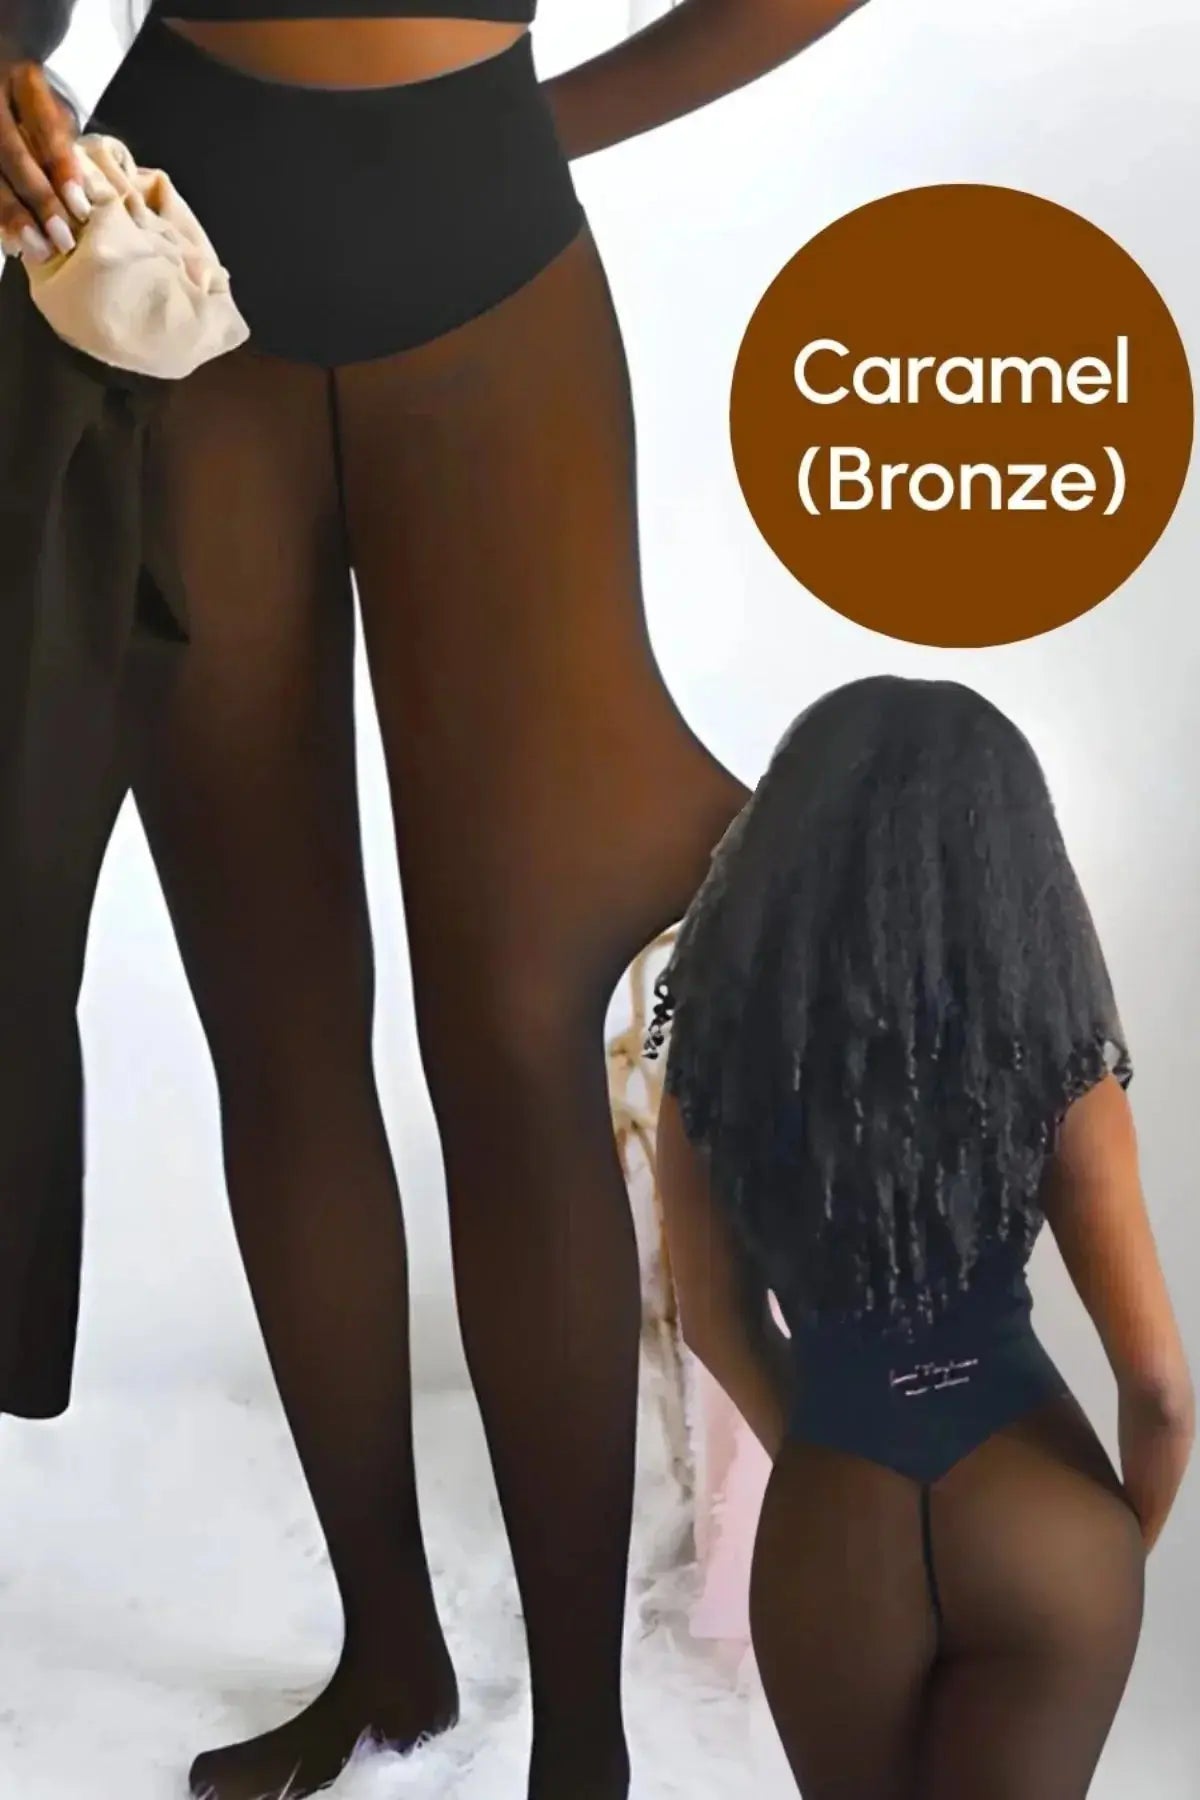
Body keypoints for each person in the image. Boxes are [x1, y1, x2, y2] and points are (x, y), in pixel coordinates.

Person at [0, 2, 874, 1796]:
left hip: (484, 264)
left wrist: (553, 118)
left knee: (514, 1036)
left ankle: (583, 1751)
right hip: (169, 267)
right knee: (279, 1038)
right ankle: (387, 1661)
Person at [649, 675, 1194, 1800]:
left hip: (836, 1513)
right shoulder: (1060, 1075)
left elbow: (714, 1320)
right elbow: (1162, 1393)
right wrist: (1112, 1553)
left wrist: (828, 1449)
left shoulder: (714, 1068)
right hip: (1043, 1513)